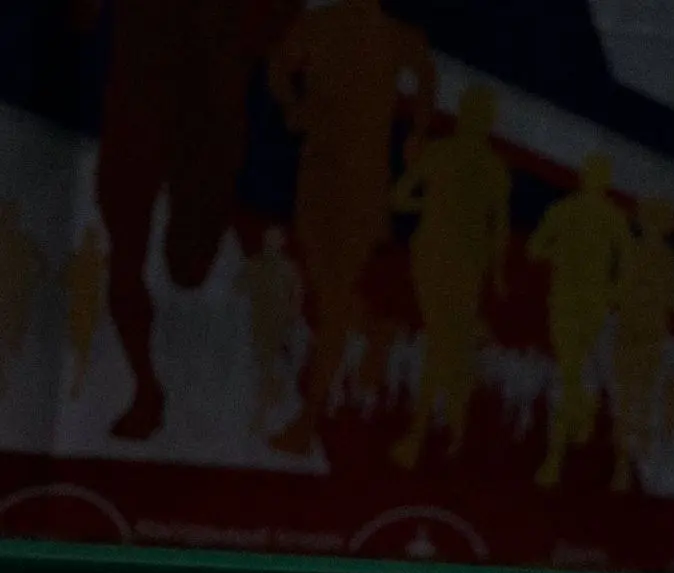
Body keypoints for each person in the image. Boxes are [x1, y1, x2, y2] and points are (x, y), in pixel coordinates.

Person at [85, 0, 298, 437]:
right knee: (126, 255)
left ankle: (169, 383)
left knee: (187, 267)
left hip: (207, 114)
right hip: (139, 105)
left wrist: (247, 47)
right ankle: (146, 389)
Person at [268, 0, 436, 455]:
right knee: (326, 290)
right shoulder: (319, 24)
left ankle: (309, 419)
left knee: (334, 300)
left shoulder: (396, 35)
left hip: (363, 186)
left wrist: (418, 133)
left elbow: (426, 77)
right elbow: (279, 65)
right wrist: (293, 105)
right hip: (317, 177)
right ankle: (376, 330)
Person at [389, 84, 510, 469]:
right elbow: (499, 229)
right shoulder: (487, 166)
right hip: (448, 261)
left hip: (443, 260)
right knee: (445, 340)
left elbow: (400, 198)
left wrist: (431, 201)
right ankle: (445, 422)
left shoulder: (449, 155)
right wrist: (496, 273)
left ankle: (424, 431)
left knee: (442, 341)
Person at [527, 153, 627, 487]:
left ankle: (561, 450)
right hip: (565, 304)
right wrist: (558, 254)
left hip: (593, 308)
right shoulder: (564, 211)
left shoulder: (613, 219)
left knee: (576, 374)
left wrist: (612, 293)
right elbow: (535, 248)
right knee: (569, 373)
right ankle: (569, 435)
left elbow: (627, 265)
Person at [609, 198, 674, 492]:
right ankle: (625, 464)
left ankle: (633, 464)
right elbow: (620, 292)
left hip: (646, 337)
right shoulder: (642, 254)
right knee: (631, 399)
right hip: (634, 335)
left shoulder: (663, 258)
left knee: (638, 399)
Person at [239, 226, 301, 435]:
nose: (272, 242)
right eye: (269, 238)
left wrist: (290, 323)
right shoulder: (255, 265)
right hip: (257, 327)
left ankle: (263, 416)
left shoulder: (289, 268)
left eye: (276, 238)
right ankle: (261, 413)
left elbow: (296, 298)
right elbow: (238, 288)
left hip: (279, 330)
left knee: (272, 370)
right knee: (260, 371)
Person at [0, 201, 43, 398]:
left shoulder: (22, 241)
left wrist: (30, 283)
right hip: (11, 301)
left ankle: (10, 384)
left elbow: (42, 265)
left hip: (16, 301)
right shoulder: (19, 241)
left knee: (12, 342)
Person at [63, 224, 105, 398]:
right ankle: (76, 380)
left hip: (82, 308)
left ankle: (76, 380)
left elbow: (65, 280)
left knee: (79, 347)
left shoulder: (81, 258)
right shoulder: (93, 260)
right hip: (84, 309)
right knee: (80, 348)